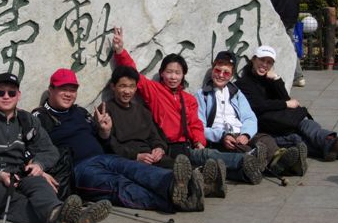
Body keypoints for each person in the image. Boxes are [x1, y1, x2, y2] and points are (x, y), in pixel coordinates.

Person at [33, 68, 209, 212]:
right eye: (63, 89)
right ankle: (178, 201)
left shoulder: (80, 112)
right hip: (79, 169)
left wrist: (105, 131)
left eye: (72, 90)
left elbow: (104, 140)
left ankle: (176, 184)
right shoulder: (40, 116)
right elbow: (32, 149)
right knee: (120, 185)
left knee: (136, 169)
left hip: (105, 158)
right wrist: (41, 170)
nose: (68, 94)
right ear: (51, 90)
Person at [0, 72, 110, 223]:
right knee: (11, 198)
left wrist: (39, 165)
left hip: (19, 174)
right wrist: (0, 174)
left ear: (18, 95)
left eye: (11, 93)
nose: (6, 96)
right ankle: (67, 218)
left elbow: (50, 150)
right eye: (1, 92)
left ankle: (58, 215)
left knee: (40, 184)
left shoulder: (27, 120)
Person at [112, 27, 267, 185]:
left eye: (177, 73)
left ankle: (245, 171)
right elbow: (133, 75)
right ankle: (246, 161)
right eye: (169, 72)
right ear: (162, 73)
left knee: (206, 159)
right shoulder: (154, 91)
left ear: (183, 75)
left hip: (187, 145)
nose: (173, 77)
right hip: (168, 146)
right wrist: (120, 51)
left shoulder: (188, 99)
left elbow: (195, 124)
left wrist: (199, 141)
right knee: (205, 160)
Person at [237, 46, 338, 161]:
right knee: (297, 136)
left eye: (269, 62)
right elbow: (258, 105)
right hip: (266, 126)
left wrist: (276, 79)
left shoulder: (269, 79)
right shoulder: (243, 83)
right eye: (262, 60)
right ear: (253, 60)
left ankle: (335, 146)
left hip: (281, 121)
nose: (264, 65)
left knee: (306, 126)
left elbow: (285, 97)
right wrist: (285, 105)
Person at [196, 50, 307, 177]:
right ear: (213, 69)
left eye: (226, 73)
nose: (221, 75)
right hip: (222, 136)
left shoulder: (236, 93)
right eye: (217, 71)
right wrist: (222, 136)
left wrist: (246, 134)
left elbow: (249, 117)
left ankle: (279, 161)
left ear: (231, 75)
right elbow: (199, 126)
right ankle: (280, 166)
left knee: (265, 139)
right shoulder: (202, 95)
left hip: (240, 131)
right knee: (245, 150)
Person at [104, 65, 175, 169]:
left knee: (176, 166)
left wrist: (159, 148)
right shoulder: (106, 110)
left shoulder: (143, 111)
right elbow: (109, 143)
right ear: (113, 86)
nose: (127, 91)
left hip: (151, 156)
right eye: (122, 86)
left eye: (131, 86)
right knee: (159, 174)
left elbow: (155, 136)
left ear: (136, 88)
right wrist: (136, 156)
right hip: (127, 160)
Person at [262, 0, 305, 87]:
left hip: (279, 17)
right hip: (292, 15)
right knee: (290, 45)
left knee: (272, 45)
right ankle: (298, 76)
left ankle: (279, 74)